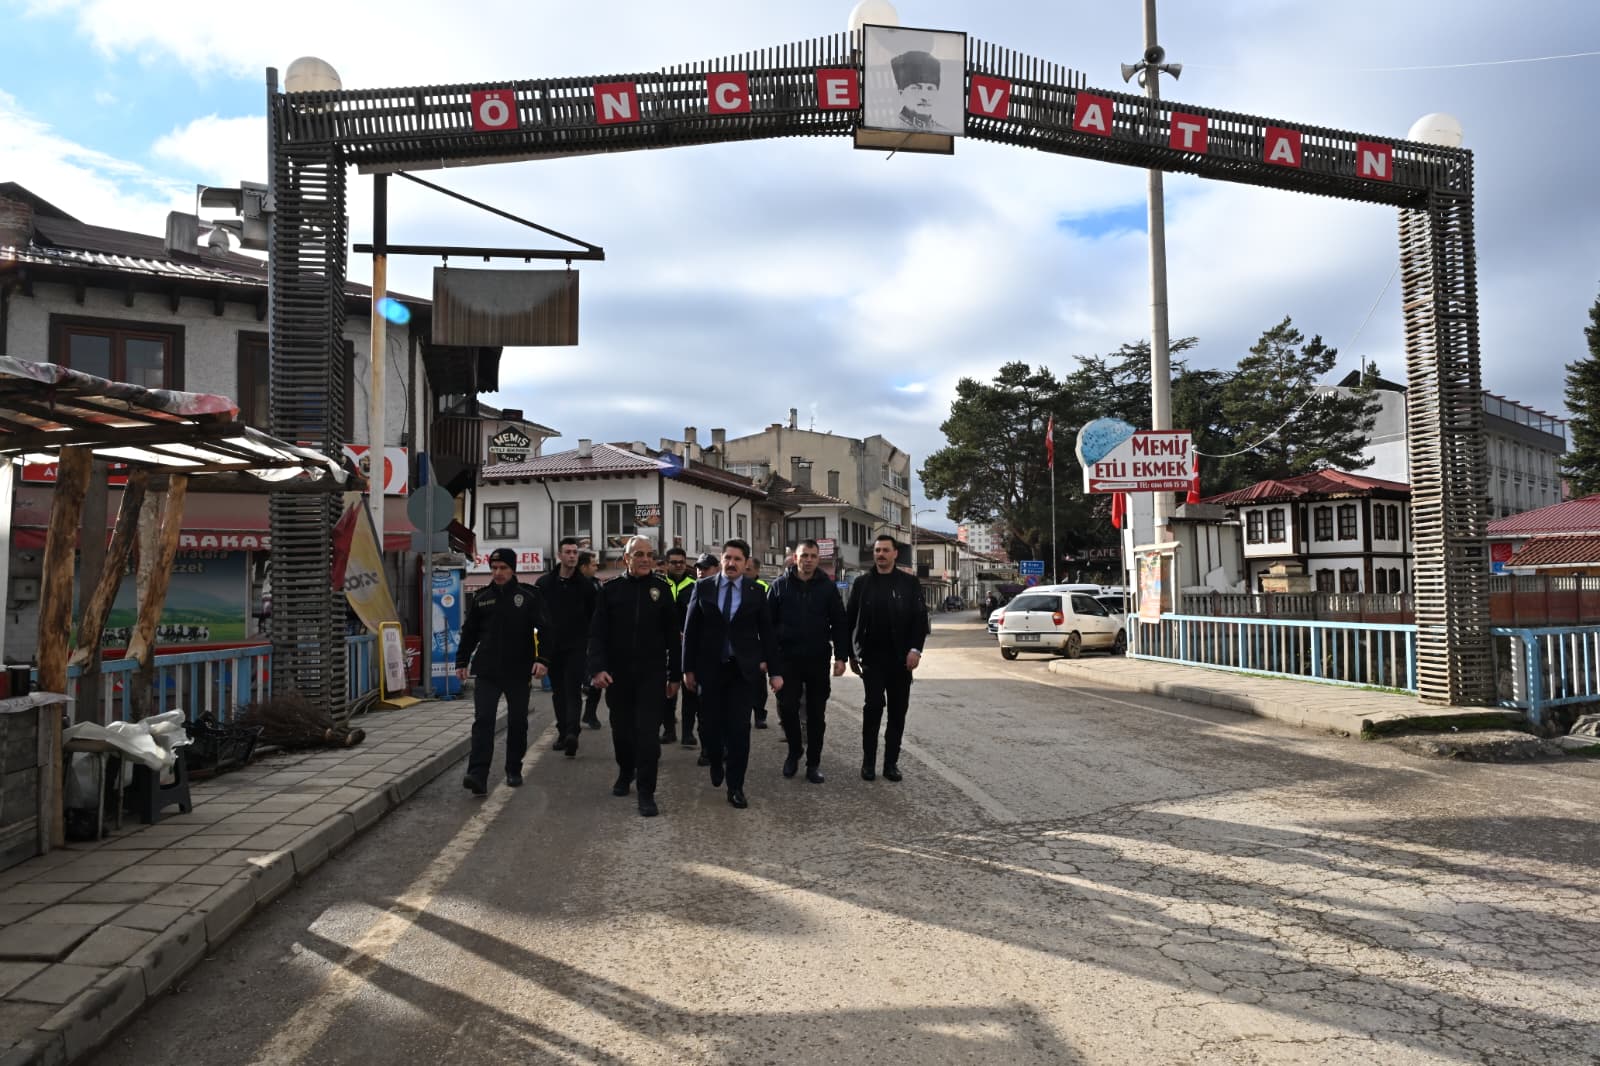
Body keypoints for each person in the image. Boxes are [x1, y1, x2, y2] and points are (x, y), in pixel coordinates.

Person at [682, 538, 783, 809]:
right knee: (711, 726)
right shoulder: (703, 587)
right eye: (728, 558)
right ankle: (716, 759)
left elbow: (767, 634)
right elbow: (691, 631)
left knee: (739, 729)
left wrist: (775, 671)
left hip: (742, 672)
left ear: (746, 563)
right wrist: (687, 669)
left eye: (738, 559)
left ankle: (736, 786)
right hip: (710, 670)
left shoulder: (756, 592)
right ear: (721, 559)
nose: (731, 563)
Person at [586, 536, 681, 818]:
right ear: (626, 558)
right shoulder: (610, 590)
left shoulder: (662, 590)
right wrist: (597, 668)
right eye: (639, 554)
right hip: (618, 676)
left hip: (651, 675)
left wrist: (674, 674)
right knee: (622, 733)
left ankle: (646, 792)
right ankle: (626, 770)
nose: (645, 559)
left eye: (649, 555)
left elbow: (673, 637)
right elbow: (597, 634)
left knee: (648, 736)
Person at [455, 547, 549, 794]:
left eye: (503, 568)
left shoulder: (529, 596)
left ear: (512, 569)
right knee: (483, 721)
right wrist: (461, 661)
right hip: (487, 670)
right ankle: (477, 775)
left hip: (518, 670)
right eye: (494, 568)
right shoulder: (481, 597)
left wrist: (542, 660)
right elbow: (469, 632)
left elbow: (545, 630)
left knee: (517, 721)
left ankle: (513, 769)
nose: (498, 573)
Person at [845, 534, 930, 783]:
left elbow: (919, 619)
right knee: (873, 708)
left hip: (900, 660)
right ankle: (868, 763)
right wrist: (851, 654)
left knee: (897, 712)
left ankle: (891, 764)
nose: (880, 554)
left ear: (895, 554)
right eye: (877, 550)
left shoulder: (909, 583)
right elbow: (850, 619)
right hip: (871, 658)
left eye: (885, 550)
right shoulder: (862, 584)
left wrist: (915, 650)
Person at [767, 539, 848, 784]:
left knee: (816, 714)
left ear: (818, 559)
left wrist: (841, 657)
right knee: (787, 708)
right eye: (804, 555)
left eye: (813, 556)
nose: (809, 560)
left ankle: (813, 763)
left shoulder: (827, 588)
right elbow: (767, 626)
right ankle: (794, 751)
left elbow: (839, 623)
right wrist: (767, 659)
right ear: (795, 558)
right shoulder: (779, 586)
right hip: (787, 659)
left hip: (817, 659)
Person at [534, 536, 597, 758]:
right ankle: (563, 733)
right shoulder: (544, 584)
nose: (572, 556)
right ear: (559, 555)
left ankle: (572, 733)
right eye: (568, 552)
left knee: (572, 689)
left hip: (577, 647)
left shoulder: (586, 586)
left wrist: (591, 645)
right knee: (559, 692)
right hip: (552, 648)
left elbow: (594, 616)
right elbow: (537, 617)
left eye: (574, 552)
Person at [659, 547, 697, 745]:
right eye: (674, 562)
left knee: (690, 690)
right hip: (665, 646)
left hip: (688, 646)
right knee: (668, 690)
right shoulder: (659, 585)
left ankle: (688, 733)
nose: (678, 565)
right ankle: (669, 730)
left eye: (681, 561)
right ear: (667, 564)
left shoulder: (694, 585)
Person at [688, 552, 719, 762]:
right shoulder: (698, 589)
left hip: (727, 661)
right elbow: (691, 630)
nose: (701, 571)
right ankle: (707, 748)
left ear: (716, 569)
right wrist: (687, 668)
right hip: (703, 661)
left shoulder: (728, 590)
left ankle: (723, 746)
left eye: (705, 568)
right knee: (704, 709)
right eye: (698, 567)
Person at [576, 550, 605, 729]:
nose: (596, 568)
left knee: (596, 678)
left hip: (594, 636)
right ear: (583, 566)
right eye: (593, 565)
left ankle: (590, 713)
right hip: (576, 638)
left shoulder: (597, 584)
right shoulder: (574, 585)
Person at [890, 49, 949, 132]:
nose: (924, 97)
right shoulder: (891, 126)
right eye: (916, 88)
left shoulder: (943, 131)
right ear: (901, 93)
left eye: (930, 88)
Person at [745, 555, 772, 729]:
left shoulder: (764, 588)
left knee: (759, 684)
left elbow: (767, 623)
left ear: (756, 571)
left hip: (758, 643)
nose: (745, 571)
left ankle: (760, 715)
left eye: (748, 569)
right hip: (742, 643)